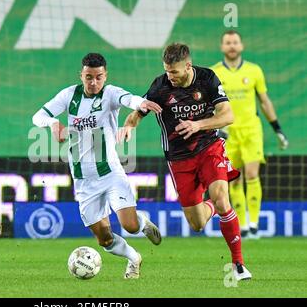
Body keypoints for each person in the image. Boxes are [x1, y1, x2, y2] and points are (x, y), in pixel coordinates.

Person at [119, 43, 252, 281]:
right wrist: (129, 126)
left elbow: (228, 115)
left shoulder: (207, 79)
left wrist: (198, 124)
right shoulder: (160, 87)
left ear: (188, 66)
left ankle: (238, 265)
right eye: (167, 71)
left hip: (209, 147)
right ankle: (214, 204)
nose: (171, 76)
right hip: (179, 158)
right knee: (198, 223)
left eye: (175, 72)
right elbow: (139, 112)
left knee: (223, 199)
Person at [32, 53, 162, 279]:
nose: (93, 83)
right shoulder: (69, 95)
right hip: (84, 181)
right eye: (89, 77)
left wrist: (141, 103)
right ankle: (134, 258)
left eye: (98, 77)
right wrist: (53, 122)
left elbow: (128, 99)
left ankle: (142, 223)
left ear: (105, 76)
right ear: (81, 75)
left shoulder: (110, 93)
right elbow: (38, 116)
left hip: (110, 174)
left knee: (130, 226)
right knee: (104, 239)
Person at [211, 30, 289, 239]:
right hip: (229, 133)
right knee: (234, 179)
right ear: (222, 47)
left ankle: (254, 222)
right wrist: (214, 128)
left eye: (235, 42)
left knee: (253, 174)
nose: (232, 46)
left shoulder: (254, 71)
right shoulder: (214, 73)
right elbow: (207, 105)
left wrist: (277, 129)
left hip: (252, 130)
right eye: (228, 43)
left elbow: (264, 101)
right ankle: (243, 224)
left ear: (241, 46)